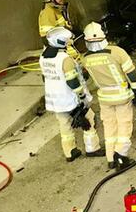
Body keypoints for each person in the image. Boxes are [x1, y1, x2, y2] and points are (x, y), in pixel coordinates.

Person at [81, 22, 136, 170]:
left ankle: (110, 158)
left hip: (104, 97)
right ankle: (121, 156)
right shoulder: (117, 52)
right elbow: (132, 74)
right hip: (121, 96)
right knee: (124, 125)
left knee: (109, 127)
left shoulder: (85, 58)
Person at [40, 27, 103, 162]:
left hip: (55, 101)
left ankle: (70, 152)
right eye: (68, 41)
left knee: (64, 124)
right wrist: (81, 97)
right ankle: (93, 148)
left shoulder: (43, 56)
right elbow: (72, 81)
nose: (70, 43)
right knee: (89, 120)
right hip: (70, 99)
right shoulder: (64, 59)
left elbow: (45, 78)